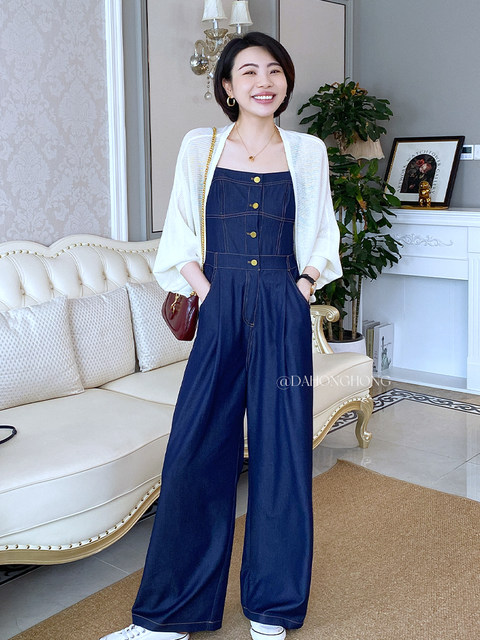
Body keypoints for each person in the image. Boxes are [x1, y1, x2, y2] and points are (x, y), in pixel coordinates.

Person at [100, 31, 341, 640]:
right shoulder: (200, 146)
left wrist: (303, 285)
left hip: (284, 307)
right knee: (195, 450)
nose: (265, 81)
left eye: (275, 70)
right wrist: (208, 292)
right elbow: (180, 230)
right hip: (220, 303)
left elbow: (323, 232)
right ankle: (169, 616)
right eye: (250, 71)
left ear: (285, 82)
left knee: (283, 453)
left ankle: (272, 608)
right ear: (228, 87)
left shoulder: (308, 151)